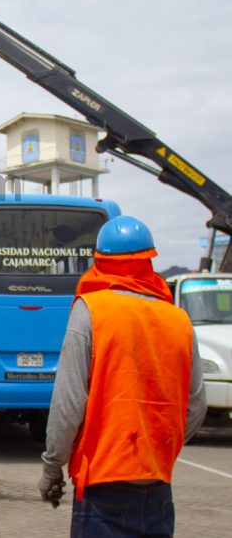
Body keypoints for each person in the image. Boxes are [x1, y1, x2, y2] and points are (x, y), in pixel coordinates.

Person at [39, 215, 207, 537]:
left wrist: (52, 466)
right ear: (149, 260)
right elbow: (196, 405)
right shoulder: (179, 320)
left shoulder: (90, 310)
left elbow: (69, 402)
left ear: (99, 261)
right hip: (157, 489)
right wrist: (156, 448)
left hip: (103, 486)